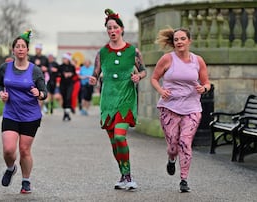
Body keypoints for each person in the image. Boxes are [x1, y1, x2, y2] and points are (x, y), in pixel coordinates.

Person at [89, 8, 146, 191]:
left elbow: (143, 70)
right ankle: (123, 174)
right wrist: (93, 79)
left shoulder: (132, 51)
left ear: (121, 29)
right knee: (114, 141)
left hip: (126, 97)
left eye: (115, 27)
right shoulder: (102, 53)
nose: (112, 31)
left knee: (120, 137)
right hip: (108, 100)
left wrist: (139, 77)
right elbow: (95, 74)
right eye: (109, 28)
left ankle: (128, 176)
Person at [150, 27, 211, 192]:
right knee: (173, 146)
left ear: (189, 41)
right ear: (173, 42)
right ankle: (171, 159)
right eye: (176, 39)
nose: (179, 42)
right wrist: (161, 91)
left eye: (182, 39)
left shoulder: (197, 60)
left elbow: (207, 83)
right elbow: (154, 78)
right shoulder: (167, 59)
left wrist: (203, 89)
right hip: (169, 107)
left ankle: (184, 179)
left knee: (185, 142)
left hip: (192, 108)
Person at [0, 30, 47, 194]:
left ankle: (26, 181)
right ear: (13, 50)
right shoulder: (5, 67)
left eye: (23, 46)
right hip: (11, 113)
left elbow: (44, 92)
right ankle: (11, 168)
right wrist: (1, 93)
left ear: (27, 50)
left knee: (24, 150)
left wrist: (39, 94)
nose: (20, 49)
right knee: (9, 150)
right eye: (17, 46)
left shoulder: (35, 70)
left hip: (30, 116)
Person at [29, 43, 49, 114]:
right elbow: (29, 68)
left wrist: (46, 68)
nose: (37, 50)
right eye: (36, 49)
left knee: (40, 94)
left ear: (41, 50)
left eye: (38, 49)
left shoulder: (45, 58)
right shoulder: (32, 58)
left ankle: (39, 111)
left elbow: (49, 68)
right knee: (33, 95)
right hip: (33, 79)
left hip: (42, 79)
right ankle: (35, 110)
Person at [59, 52, 76, 121]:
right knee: (64, 98)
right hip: (63, 84)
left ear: (68, 59)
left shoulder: (72, 66)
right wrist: (63, 74)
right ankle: (65, 113)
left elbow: (74, 73)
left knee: (68, 97)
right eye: (63, 58)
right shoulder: (61, 66)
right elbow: (58, 73)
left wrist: (70, 74)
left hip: (70, 84)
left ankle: (68, 113)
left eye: (65, 58)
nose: (64, 60)